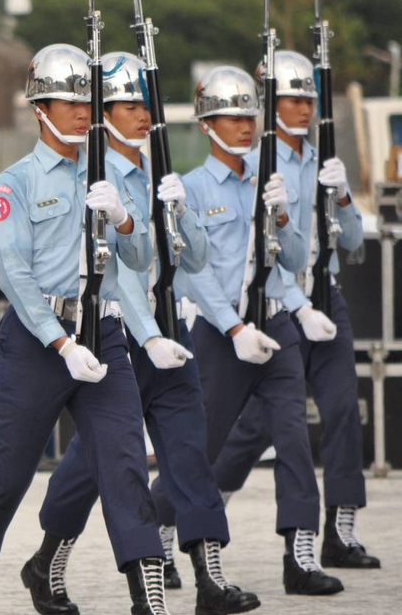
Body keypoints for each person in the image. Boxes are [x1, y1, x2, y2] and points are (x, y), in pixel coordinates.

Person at [0, 44, 171, 615]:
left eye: (87, 99)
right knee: (7, 473)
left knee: (124, 463)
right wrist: (60, 343)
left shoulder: (114, 174)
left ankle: (150, 597)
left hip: (104, 335)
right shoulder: (14, 182)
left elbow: (141, 261)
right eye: (68, 100)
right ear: (40, 107)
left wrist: (125, 217)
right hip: (37, 342)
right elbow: (12, 273)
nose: (81, 110)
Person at [22, 52, 259, 615]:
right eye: (129, 104)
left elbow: (195, 260)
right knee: (92, 466)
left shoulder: (158, 171)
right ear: (101, 113)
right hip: (122, 337)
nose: (142, 114)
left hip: (172, 333)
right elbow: (117, 275)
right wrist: (148, 335)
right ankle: (48, 559)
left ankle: (210, 580)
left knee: (188, 455)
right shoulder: (94, 178)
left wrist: (184, 210)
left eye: (145, 103)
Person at [162, 65, 343, 596]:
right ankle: (161, 523)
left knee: (292, 436)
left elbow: (287, 260)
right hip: (221, 332)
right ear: (206, 124)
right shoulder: (190, 189)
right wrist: (234, 326)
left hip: (276, 324)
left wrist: (283, 219)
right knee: (202, 443)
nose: (244, 126)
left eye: (249, 116)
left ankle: (300, 554)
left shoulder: (267, 182)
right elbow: (194, 275)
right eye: (231, 117)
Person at [208, 50, 378, 569]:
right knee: (257, 426)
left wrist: (344, 196)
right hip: (278, 302)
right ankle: (197, 517)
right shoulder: (253, 162)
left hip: (325, 294)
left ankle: (339, 532)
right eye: (292, 98)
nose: (304, 108)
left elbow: (354, 244)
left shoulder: (320, 158)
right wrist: (296, 307)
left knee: (344, 410)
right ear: (269, 101)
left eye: (309, 98)